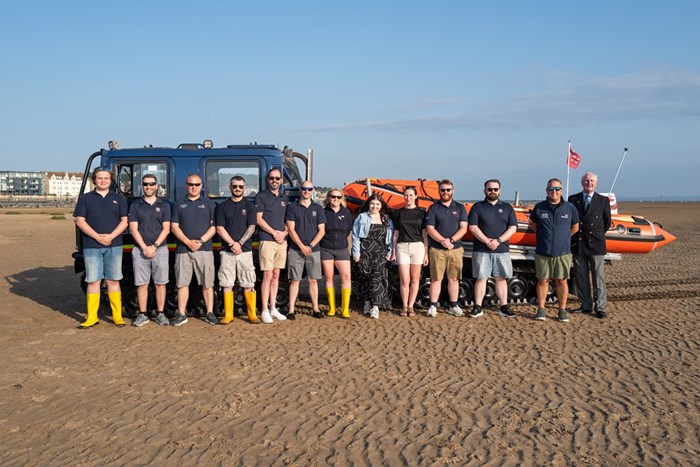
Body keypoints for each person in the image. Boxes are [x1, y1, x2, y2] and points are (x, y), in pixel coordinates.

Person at [74, 167, 129, 328]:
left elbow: (124, 220)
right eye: (100, 178)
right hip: (91, 245)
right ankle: (92, 317)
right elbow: (80, 220)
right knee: (93, 281)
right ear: (94, 180)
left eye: (106, 178)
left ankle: (117, 316)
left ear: (110, 181)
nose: (103, 181)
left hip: (114, 244)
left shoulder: (119, 199)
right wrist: (97, 237)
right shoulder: (85, 199)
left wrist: (110, 237)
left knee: (113, 280)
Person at [530, 178, 580, 322]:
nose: (554, 191)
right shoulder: (539, 207)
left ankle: (562, 310)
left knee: (561, 281)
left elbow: (575, 227)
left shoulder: (570, 208)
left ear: (561, 191)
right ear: (546, 191)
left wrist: (562, 238)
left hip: (562, 252)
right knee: (542, 280)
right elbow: (534, 225)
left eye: (557, 189)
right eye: (551, 189)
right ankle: (541, 309)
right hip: (543, 251)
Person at [170, 174, 217, 326]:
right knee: (182, 283)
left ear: (202, 185)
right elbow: (174, 226)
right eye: (191, 184)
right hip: (183, 250)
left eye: (197, 184)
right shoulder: (178, 204)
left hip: (204, 249)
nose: (194, 187)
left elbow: (214, 227)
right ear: (186, 185)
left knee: (207, 283)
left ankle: (210, 313)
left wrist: (201, 241)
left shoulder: (209, 204)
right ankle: (182, 314)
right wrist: (187, 242)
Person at [467, 179, 518, 319]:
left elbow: (513, 227)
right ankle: (478, 307)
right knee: (480, 278)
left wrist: (498, 241)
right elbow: (473, 227)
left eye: (495, 189)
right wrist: (487, 241)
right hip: (481, 249)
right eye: (490, 189)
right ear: (484, 191)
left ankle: (503, 307)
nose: (492, 192)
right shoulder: (477, 207)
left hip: (501, 250)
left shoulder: (507, 208)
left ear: (500, 190)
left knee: (501, 279)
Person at [128, 174, 171, 327]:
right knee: (141, 284)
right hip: (140, 250)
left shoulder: (165, 205)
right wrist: (145, 247)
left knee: (160, 283)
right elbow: (133, 229)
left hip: (160, 249)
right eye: (146, 184)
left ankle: (160, 313)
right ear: (142, 186)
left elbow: (166, 229)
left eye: (151, 184)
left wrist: (154, 246)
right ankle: (143, 314)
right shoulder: (135, 205)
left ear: (157, 186)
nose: (148, 187)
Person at [215, 176, 259, 325]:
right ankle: (228, 315)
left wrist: (239, 243)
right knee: (227, 282)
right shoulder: (222, 207)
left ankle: (252, 314)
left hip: (245, 251)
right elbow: (219, 228)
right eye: (235, 186)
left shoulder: (250, 206)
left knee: (248, 282)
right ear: (230, 187)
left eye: (240, 186)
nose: (238, 189)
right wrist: (232, 243)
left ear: (244, 188)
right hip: (227, 251)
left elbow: (252, 227)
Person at [568, 171, 612, 318]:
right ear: (582, 182)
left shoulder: (603, 200)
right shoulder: (573, 199)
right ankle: (585, 305)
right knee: (581, 276)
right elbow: (571, 221)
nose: (589, 183)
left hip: (596, 244)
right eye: (587, 181)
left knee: (598, 277)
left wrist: (597, 234)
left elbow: (606, 222)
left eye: (592, 181)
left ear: (596, 183)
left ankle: (600, 307)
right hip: (578, 243)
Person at [424, 179, 468, 317]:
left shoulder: (460, 208)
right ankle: (432, 306)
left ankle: (453, 305)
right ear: (439, 191)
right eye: (443, 190)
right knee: (436, 279)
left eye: (448, 190)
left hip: (455, 249)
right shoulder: (433, 208)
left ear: (453, 191)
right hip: (437, 249)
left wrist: (452, 240)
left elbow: (464, 228)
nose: (445, 192)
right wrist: (443, 241)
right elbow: (430, 228)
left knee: (454, 278)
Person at [285, 180, 326, 319]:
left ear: (313, 190)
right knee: (294, 280)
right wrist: (302, 246)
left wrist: (310, 246)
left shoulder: (318, 208)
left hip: (313, 249)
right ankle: (291, 310)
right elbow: (291, 229)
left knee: (313, 280)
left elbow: (321, 231)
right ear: (300, 189)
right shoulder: (292, 207)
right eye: (304, 188)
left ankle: (315, 308)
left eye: (309, 189)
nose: (306, 191)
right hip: (296, 249)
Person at [255, 167, 290, 324]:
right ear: (268, 180)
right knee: (267, 276)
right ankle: (263, 310)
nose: (274, 181)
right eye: (271, 178)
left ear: (281, 180)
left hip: (281, 241)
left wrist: (284, 233)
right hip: (267, 240)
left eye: (277, 178)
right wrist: (274, 232)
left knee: (276, 275)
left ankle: (273, 308)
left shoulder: (284, 198)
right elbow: (259, 219)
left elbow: (289, 221)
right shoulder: (261, 197)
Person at [352, 194, 394, 319]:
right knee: (364, 277)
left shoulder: (387, 219)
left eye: (377, 204)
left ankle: (376, 306)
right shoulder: (361, 217)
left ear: (381, 206)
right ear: (368, 204)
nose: (374, 206)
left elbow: (391, 238)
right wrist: (356, 253)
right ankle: (366, 303)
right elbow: (355, 236)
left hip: (381, 252)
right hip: (364, 251)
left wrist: (390, 252)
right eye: (372, 203)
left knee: (377, 278)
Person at [390, 187, 428, 317]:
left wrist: (426, 253)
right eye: (406, 195)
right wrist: (394, 250)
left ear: (416, 196)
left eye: (411, 195)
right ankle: (404, 305)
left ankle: (411, 306)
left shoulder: (422, 213)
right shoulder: (398, 213)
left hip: (418, 246)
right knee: (404, 279)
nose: (408, 198)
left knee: (415, 279)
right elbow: (396, 233)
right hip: (402, 247)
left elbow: (424, 234)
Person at [320, 188, 353, 319]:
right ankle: (332, 308)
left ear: (342, 199)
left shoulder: (346, 213)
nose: (335, 199)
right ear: (328, 198)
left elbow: (348, 230)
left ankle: (345, 309)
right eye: (333, 197)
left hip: (342, 249)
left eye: (338, 197)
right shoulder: (323, 212)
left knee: (346, 278)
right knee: (329, 278)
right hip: (326, 248)